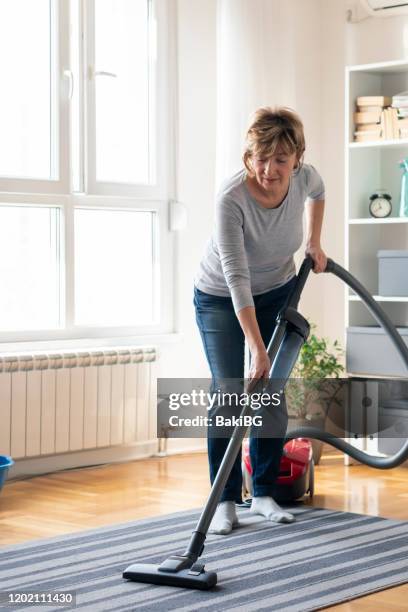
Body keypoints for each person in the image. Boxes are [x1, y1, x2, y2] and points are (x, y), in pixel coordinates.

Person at [193, 107, 327, 535]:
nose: (269, 169)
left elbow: (319, 191)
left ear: (297, 159)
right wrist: (256, 345)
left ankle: (263, 492)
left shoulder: (305, 178)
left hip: (276, 291)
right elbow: (236, 276)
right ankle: (225, 500)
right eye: (260, 158)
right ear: (249, 156)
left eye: (281, 160)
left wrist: (314, 241)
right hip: (220, 297)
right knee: (230, 391)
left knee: (271, 391)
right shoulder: (231, 198)